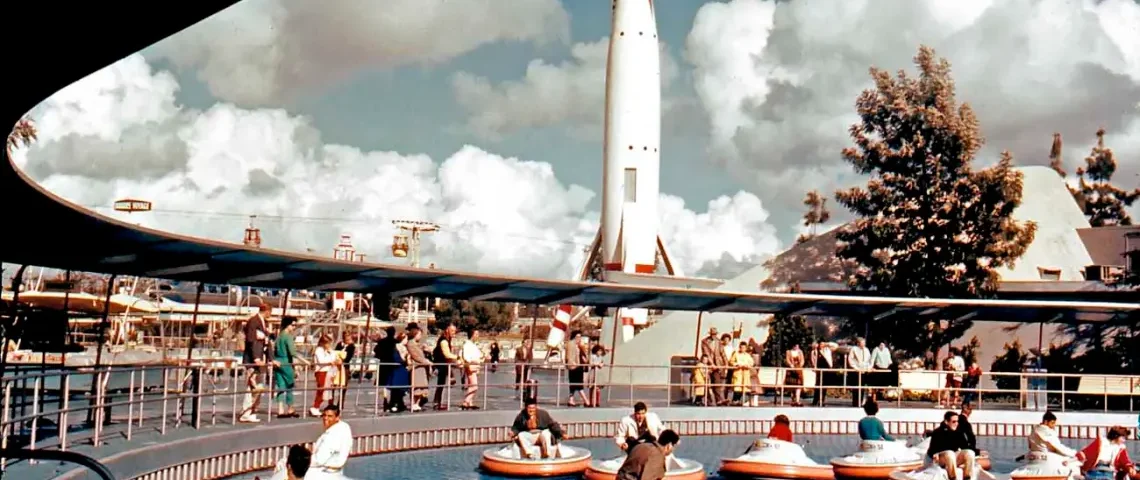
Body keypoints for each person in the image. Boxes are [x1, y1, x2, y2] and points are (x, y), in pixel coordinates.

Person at [240, 303, 271, 423]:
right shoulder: (254, 321)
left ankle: (251, 410)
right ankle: (246, 412)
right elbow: (251, 340)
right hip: (253, 360)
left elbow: (266, 342)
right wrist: (256, 358)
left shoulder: (263, 322)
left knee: (258, 387)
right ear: (267, 311)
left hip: (259, 358)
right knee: (252, 386)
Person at [273, 316, 308, 418]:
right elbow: (293, 353)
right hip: (286, 362)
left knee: (281, 386)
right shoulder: (288, 337)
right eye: (293, 325)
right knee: (290, 385)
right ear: (287, 325)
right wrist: (304, 361)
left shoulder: (279, 336)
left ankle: (280, 409)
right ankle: (290, 408)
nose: (294, 327)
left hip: (277, 361)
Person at [927, 411, 977, 480]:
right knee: (950, 453)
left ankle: (967, 477)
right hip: (941, 459)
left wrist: (978, 452)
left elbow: (965, 447)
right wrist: (935, 454)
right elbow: (932, 450)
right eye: (954, 421)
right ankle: (953, 478)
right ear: (946, 422)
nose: (956, 424)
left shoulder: (958, 432)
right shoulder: (938, 432)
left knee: (970, 453)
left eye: (957, 421)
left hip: (952, 458)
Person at [308, 404, 353, 479]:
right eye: (324, 415)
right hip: (337, 472)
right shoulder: (344, 427)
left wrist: (301, 461)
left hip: (323, 472)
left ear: (337, 418)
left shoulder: (332, 435)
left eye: (330, 416)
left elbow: (319, 460)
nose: (325, 418)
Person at [616, 429, 681, 480]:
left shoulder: (642, 445)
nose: (673, 450)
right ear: (669, 445)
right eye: (674, 446)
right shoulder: (657, 456)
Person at [311, 334, 339, 416]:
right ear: (323, 343)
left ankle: (329, 406)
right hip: (321, 371)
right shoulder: (318, 350)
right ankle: (315, 407)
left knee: (328, 390)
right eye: (328, 343)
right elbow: (321, 360)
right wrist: (330, 361)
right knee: (321, 389)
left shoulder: (328, 350)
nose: (329, 345)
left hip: (329, 371)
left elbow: (334, 356)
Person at [700, 328, 728, 405]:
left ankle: (718, 400)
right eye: (713, 334)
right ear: (710, 334)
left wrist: (726, 364)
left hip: (717, 365)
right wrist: (712, 364)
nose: (714, 336)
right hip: (707, 364)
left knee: (717, 382)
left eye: (715, 334)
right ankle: (708, 400)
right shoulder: (704, 342)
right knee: (706, 383)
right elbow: (706, 353)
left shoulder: (718, 341)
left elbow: (723, 353)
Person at [459, 329, 484, 410]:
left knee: (471, 384)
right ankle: (466, 401)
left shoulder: (473, 344)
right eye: (476, 334)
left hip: (474, 366)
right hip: (471, 366)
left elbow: (479, 354)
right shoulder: (467, 344)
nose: (478, 336)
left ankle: (470, 402)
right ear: (472, 335)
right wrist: (473, 360)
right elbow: (467, 356)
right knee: (474, 386)